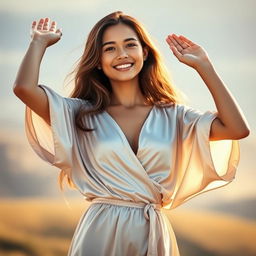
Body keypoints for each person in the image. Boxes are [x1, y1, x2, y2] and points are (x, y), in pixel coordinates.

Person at [13, 11, 250, 256]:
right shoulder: (78, 113)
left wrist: (204, 66)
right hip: (99, 231)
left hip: (153, 231)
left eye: (130, 45)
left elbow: (237, 128)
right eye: (110, 48)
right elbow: (24, 88)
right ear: (97, 60)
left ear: (144, 52)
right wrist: (38, 43)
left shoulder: (175, 116)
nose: (122, 55)